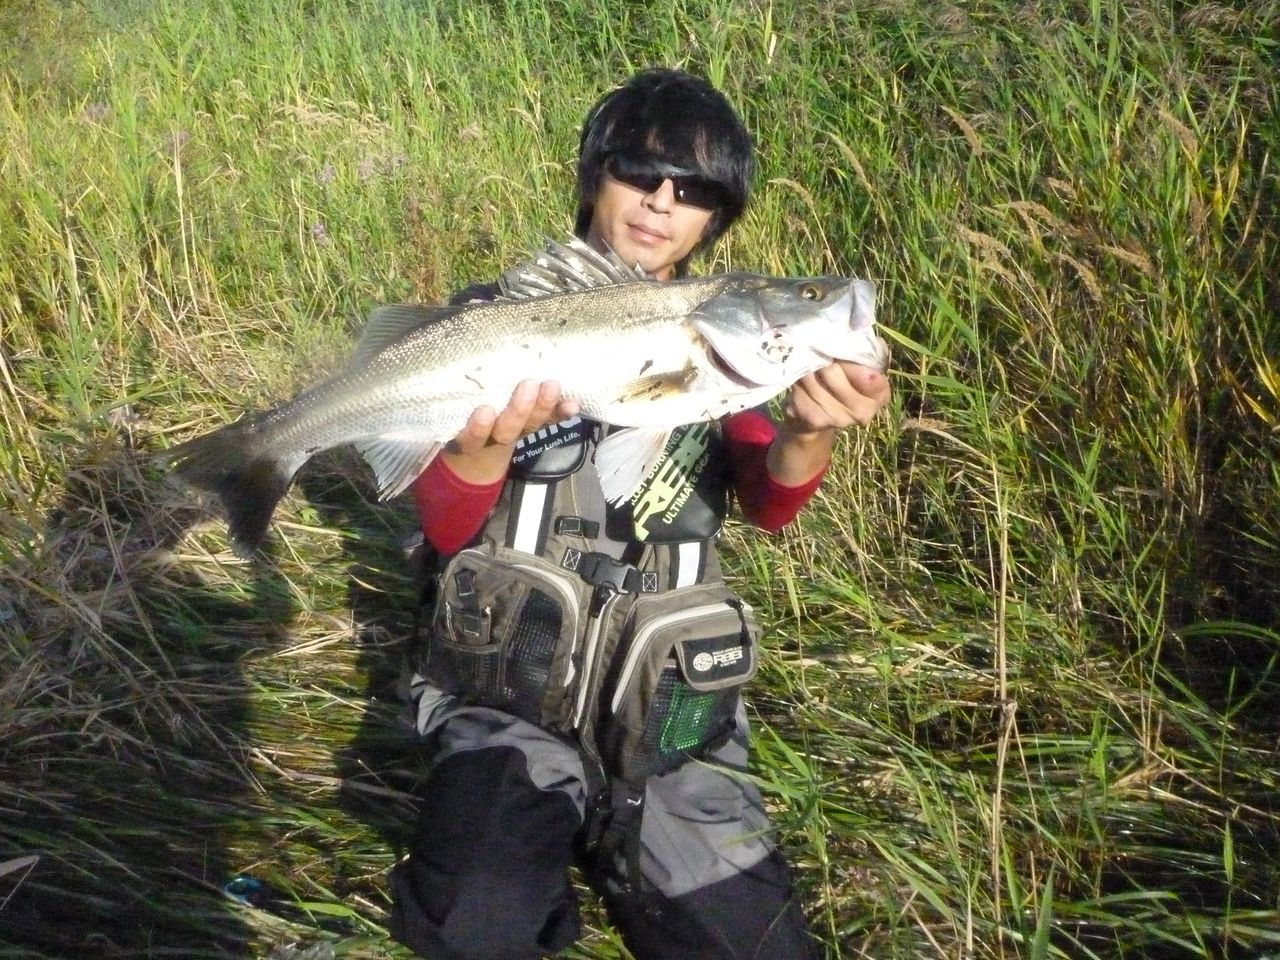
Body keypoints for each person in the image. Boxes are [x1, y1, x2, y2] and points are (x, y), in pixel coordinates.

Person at [388, 68, 891, 960]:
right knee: (469, 923)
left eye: (694, 189)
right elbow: (447, 530)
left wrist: (809, 432)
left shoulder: (726, 341)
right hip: (511, 689)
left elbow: (771, 502)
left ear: (717, 219)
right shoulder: (488, 323)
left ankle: (639, 833)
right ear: (594, 175)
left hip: (668, 705)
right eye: (639, 171)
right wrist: (486, 443)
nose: (662, 202)